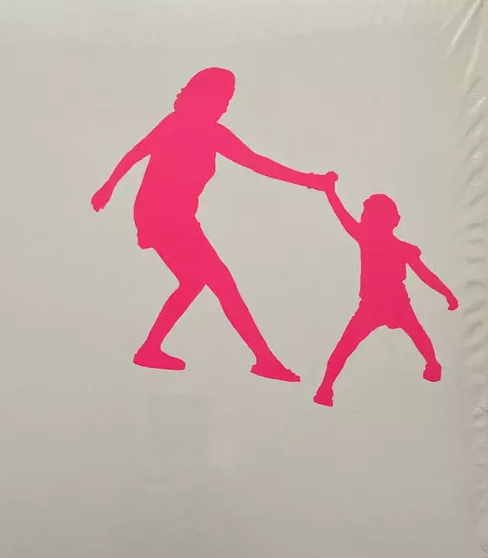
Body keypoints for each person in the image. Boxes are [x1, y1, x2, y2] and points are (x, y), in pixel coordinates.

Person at [91, 67, 336, 381]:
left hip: (173, 216)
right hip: (163, 216)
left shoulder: (208, 132)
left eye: (228, 101)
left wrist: (311, 181)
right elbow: (136, 153)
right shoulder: (181, 126)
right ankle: (264, 360)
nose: (225, 107)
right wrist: (108, 187)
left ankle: (150, 350)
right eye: (222, 100)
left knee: (195, 282)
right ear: (202, 97)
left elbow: (257, 163)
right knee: (221, 282)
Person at [313, 182, 459, 407]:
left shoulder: (397, 247)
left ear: (389, 221)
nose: (364, 219)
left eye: (368, 216)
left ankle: (432, 365)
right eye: (365, 215)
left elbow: (425, 275)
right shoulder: (369, 239)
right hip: (374, 306)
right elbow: (343, 216)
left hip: (395, 304)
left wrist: (447, 293)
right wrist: (330, 192)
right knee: (347, 347)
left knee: (415, 335)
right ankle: (325, 388)